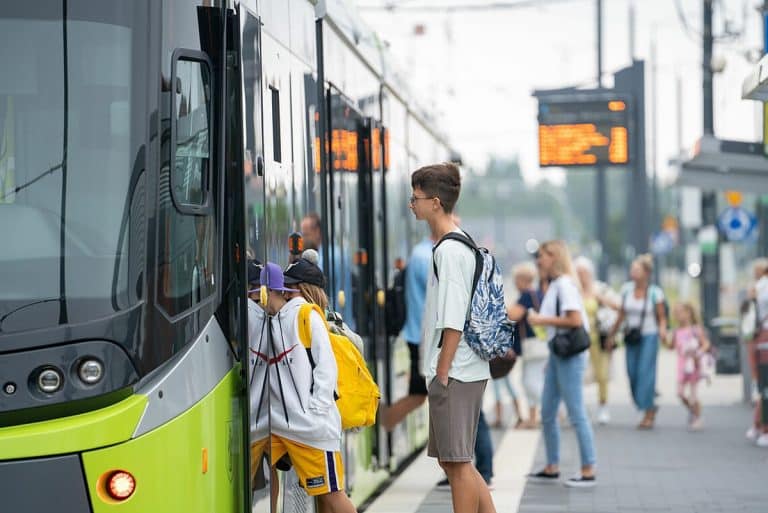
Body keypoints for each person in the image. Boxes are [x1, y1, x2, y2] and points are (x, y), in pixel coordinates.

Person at [410, 162, 496, 513]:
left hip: (456, 372)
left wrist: (441, 372)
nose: (411, 204)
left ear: (435, 202)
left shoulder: (448, 250)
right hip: (463, 370)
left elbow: (453, 320)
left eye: (415, 197)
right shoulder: (460, 244)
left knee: (457, 464)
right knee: (455, 462)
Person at [256, 262, 356, 513]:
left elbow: (326, 367)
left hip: (311, 426)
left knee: (331, 494)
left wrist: (317, 410)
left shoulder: (307, 315)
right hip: (280, 425)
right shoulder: (272, 319)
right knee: (275, 479)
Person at [526, 240, 597, 488]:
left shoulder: (565, 285)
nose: (538, 261)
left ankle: (588, 469)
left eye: (543, 256)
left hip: (570, 356)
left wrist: (540, 318)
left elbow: (575, 320)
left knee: (576, 411)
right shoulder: (557, 285)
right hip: (558, 355)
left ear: (555, 258)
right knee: (547, 411)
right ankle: (552, 465)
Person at [605, 254, 668, 430]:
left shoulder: (656, 292)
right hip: (631, 336)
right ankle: (646, 403)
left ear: (647, 272)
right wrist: (611, 335)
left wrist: (662, 330)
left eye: (637, 269)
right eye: (632, 269)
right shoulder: (626, 290)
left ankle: (648, 411)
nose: (633, 272)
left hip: (649, 335)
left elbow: (661, 317)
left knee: (645, 373)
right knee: (632, 374)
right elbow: (621, 315)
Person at [382, 235, 433, 432]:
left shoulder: (424, 253)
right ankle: (382, 421)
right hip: (422, 337)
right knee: (419, 394)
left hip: (420, 335)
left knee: (419, 394)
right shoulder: (425, 256)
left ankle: (383, 421)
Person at [574, 256, 616, 425]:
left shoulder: (600, 289)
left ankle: (603, 406)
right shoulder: (573, 290)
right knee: (578, 375)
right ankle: (579, 408)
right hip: (579, 339)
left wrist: (600, 298)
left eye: (584, 272)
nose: (582, 275)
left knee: (602, 374)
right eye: (579, 272)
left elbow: (617, 307)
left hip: (599, 337)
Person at [301, 212, 355, 329]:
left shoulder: (322, 259)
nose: (303, 239)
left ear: (317, 232)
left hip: (332, 324)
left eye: (306, 234)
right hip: (343, 321)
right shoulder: (337, 253)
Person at [507, 262, 543, 429]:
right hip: (538, 344)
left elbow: (513, 315)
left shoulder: (526, 295)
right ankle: (533, 417)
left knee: (530, 381)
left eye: (516, 280)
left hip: (533, 345)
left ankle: (544, 413)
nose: (515, 283)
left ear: (522, 279)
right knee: (530, 380)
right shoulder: (537, 293)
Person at [665, 302, 711, 431]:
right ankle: (693, 410)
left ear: (689, 313)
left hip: (694, 366)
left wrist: (699, 353)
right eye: (677, 313)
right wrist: (664, 338)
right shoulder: (676, 331)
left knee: (693, 395)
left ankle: (697, 417)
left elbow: (706, 344)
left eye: (682, 312)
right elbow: (670, 347)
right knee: (680, 393)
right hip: (682, 367)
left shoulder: (696, 330)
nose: (680, 316)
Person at [746, 258, 768, 446]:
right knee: (764, 385)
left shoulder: (756, 288)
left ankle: (758, 425)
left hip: (759, 338)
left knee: (763, 385)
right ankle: (762, 427)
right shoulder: (761, 288)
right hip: (763, 338)